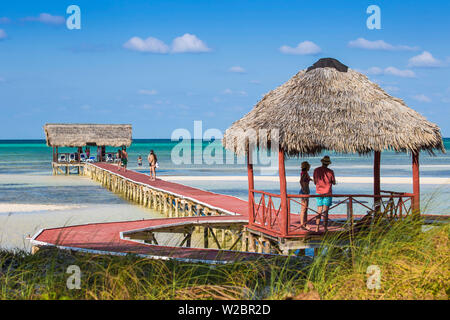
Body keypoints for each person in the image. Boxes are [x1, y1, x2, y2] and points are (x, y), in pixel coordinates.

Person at [313, 155, 336, 232]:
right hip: (327, 192)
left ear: (322, 162)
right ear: (328, 163)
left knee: (319, 210)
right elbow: (334, 182)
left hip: (318, 192)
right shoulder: (330, 172)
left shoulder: (316, 170)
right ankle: (325, 228)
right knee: (325, 211)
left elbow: (315, 181)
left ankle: (317, 228)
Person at [299, 161, 313, 229]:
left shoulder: (304, 173)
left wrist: (310, 179)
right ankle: (303, 224)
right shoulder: (304, 173)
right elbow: (301, 181)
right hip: (304, 191)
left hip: (305, 191)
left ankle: (304, 224)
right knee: (304, 209)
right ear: (307, 167)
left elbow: (303, 180)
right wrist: (304, 189)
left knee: (305, 209)